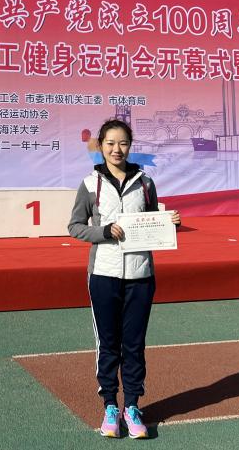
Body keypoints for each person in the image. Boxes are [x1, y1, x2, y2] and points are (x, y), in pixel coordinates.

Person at [67, 118, 181, 439]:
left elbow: (153, 221)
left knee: (134, 344)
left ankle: (132, 406)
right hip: (103, 274)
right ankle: (109, 406)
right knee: (108, 344)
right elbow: (75, 226)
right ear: (101, 146)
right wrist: (104, 232)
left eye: (123, 143)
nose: (117, 149)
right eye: (110, 143)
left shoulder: (145, 182)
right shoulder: (90, 184)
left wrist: (170, 222)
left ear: (130, 146)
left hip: (140, 275)